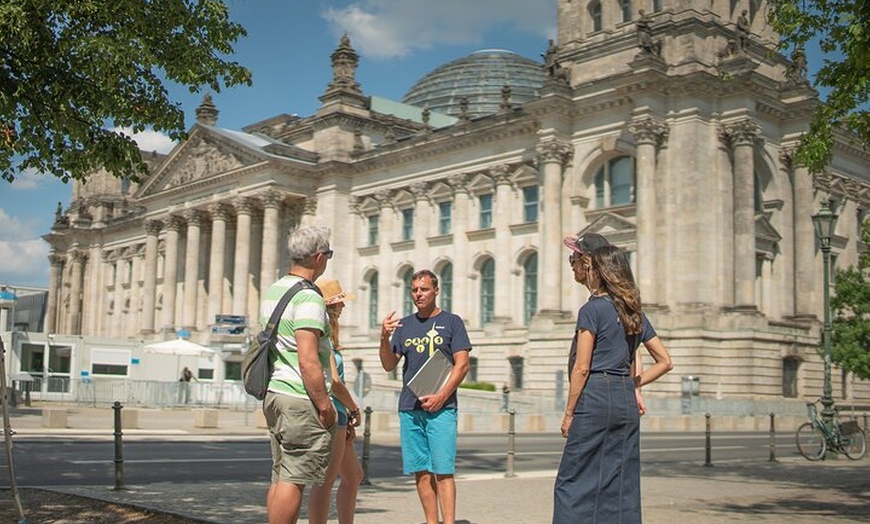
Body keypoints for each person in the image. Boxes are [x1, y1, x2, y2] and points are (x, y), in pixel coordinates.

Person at [553, 244, 673, 524]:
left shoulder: (592, 310)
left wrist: (569, 412)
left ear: (598, 271)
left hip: (595, 393)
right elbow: (665, 361)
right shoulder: (634, 312)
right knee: (620, 481)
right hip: (624, 397)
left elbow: (582, 367)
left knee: (573, 479)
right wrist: (632, 385)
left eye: (587, 265)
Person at [379, 269, 471, 524]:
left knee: (443, 471)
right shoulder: (404, 325)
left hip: (442, 409)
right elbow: (389, 364)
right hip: (410, 407)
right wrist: (383, 338)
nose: (419, 294)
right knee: (421, 471)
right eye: (415, 290)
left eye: (424, 289)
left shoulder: (453, 322)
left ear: (436, 291)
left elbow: (462, 365)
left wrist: (441, 397)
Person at [260, 225, 337, 524]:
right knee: (294, 479)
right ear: (318, 257)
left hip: (276, 391)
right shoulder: (308, 298)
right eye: (328, 255)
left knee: (280, 476)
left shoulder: (275, 290)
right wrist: (323, 404)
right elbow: (308, 359)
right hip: (299, 397)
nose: (327, 260)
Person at [308, 278, 364, 524]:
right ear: (331, 306)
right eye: (340, 301)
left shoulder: (330, 336)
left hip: (340, 415)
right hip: (333, 413)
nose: (343, 306)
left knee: (353, 476)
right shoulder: (324, 336)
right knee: (325, 480)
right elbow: (335, 383)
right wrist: (354, 408)